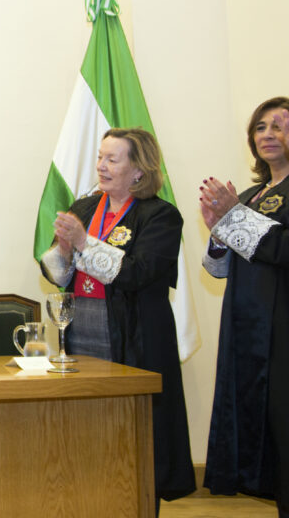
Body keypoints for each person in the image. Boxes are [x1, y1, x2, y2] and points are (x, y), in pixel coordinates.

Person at [41, 127, 194, 506]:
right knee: (83, 434)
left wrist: (81, 242)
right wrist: (62, 249)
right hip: (80, 333)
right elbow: (58, 274)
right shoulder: (86, 208)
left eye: (113, 159)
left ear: (139, 170)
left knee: (133, 439)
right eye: (99, 157)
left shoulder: (161, 215)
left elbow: (138, 273)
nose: (102, 166)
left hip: (133, 337)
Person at [201, 98, 289, 511]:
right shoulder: (253, 194)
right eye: (261, 127)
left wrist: (233, 217)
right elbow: (219, 270)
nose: (269, 134)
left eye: (280, 125)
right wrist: (218, 233)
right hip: (246, 326)